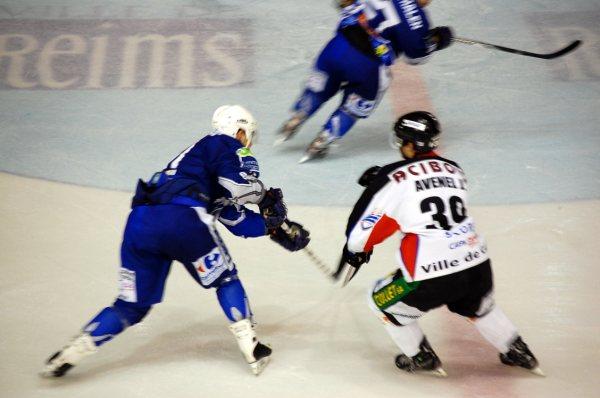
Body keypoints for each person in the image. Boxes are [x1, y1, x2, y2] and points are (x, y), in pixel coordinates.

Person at [41, 105, 310, 378]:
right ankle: (251, 347)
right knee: (225, 279)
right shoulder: (221, 143)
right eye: (248, 136)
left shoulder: (198, 166)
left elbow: (239, 222)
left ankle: (72, 352)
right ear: (239, 130)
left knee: (131, 305)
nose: (248, 145)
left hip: (142, 223)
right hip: (183, 220)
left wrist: (274, 228)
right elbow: (240, 187)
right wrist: (266, 198)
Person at [335, 111, 543, 376]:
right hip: (476, 264)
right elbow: (425, 195)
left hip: (431, 274)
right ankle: (518, 350)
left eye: (402, 141)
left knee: (380, 300)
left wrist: (357, 250)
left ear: (411, 143)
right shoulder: (456, 169)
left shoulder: (393, 177)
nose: (399, 146)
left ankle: (421, 358)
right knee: (479, 305)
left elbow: (361, 234)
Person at [275, 0, 453, 163]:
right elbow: (416, 56)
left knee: (318, 89)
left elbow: (343, 2)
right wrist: (436, 39)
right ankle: (323, 140)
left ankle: (296, 118)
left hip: (337, 47)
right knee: (356, 106)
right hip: (369, 65)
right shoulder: (416, 16)